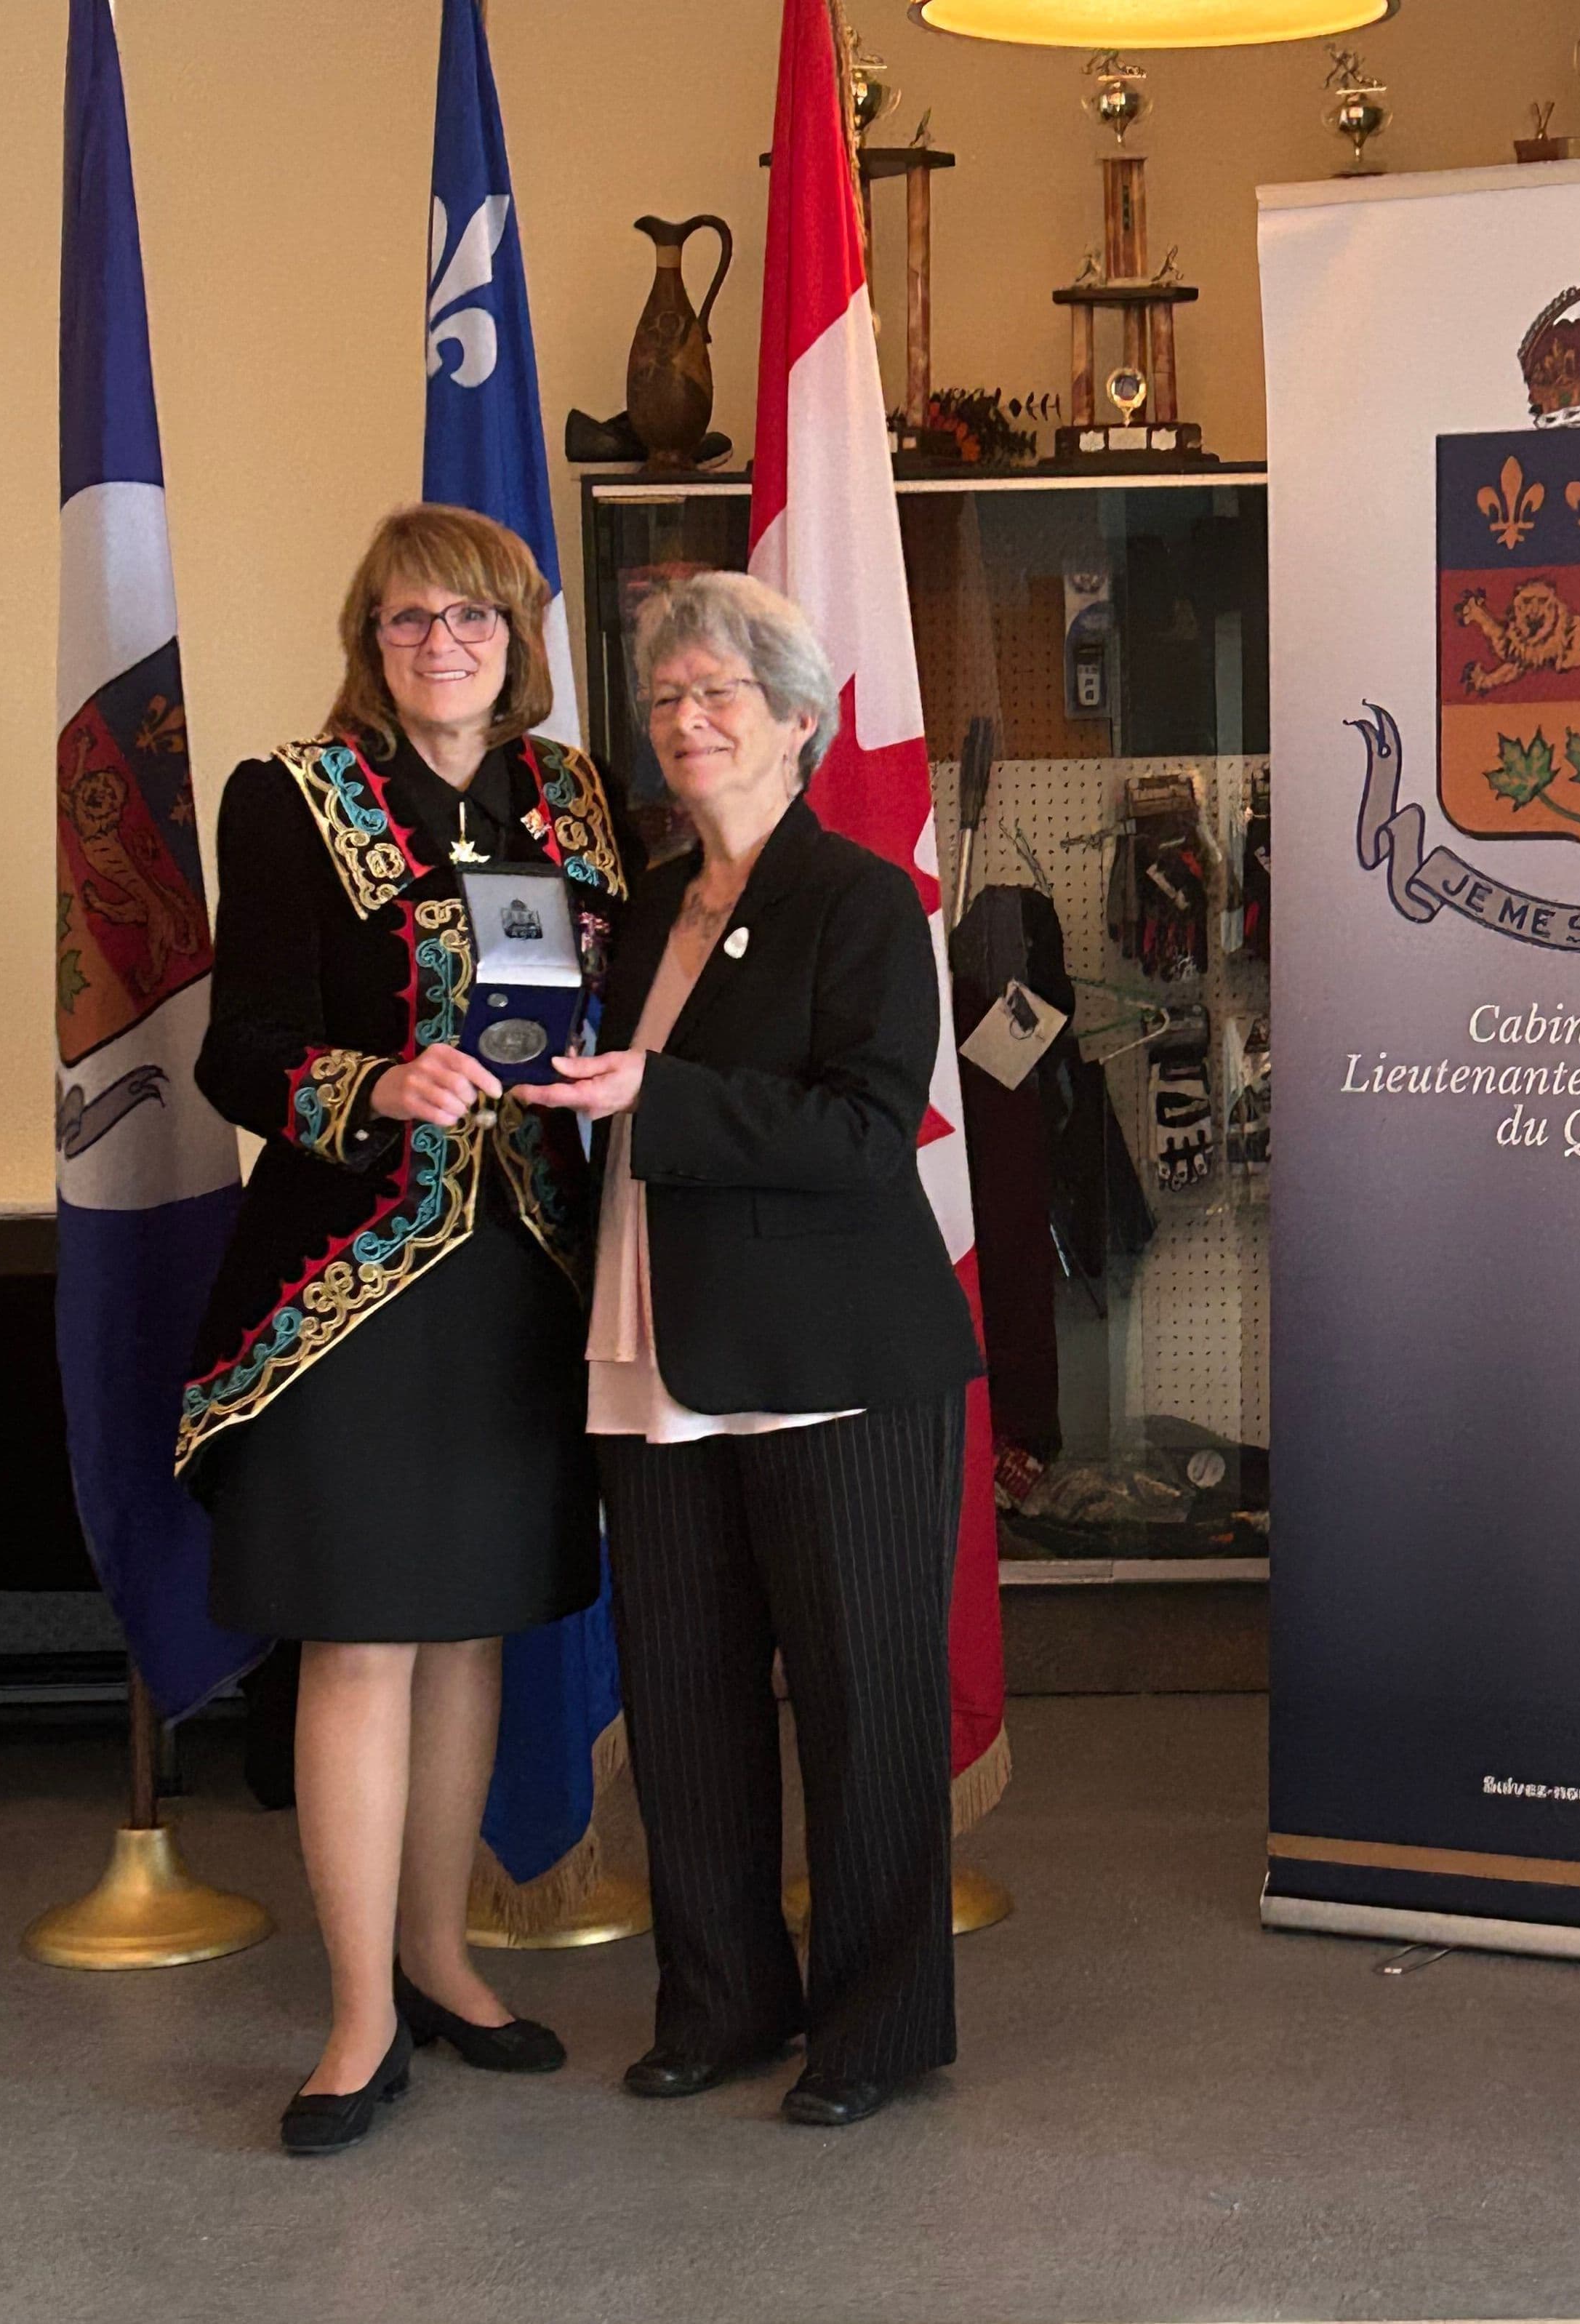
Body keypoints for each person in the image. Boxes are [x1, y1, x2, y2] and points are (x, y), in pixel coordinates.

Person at [177, 504, 629, 2155]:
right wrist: (374, 1081)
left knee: (468, 1627)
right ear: (368, 640)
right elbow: (242, 1046)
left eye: (476, 618)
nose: (444, 643)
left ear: (521, 638)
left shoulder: (572, 800)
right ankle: (361, 2015)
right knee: (364, 1631)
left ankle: (441, 1954)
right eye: (409, 618)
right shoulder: (290, 796)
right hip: (351, 1281)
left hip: (525, 1271)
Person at [526, 571, 982, 2128]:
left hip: (831, 1354)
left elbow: (867, 1128)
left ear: (800, 719)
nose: (688, 720)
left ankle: (874, 2026)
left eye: (721, 693)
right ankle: (719, 2001)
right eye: (664, 701)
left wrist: (653, 1091)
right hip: (650, 1346)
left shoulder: (855, 897)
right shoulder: (646, 904)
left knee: (865, 1703)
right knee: (684, 1696)